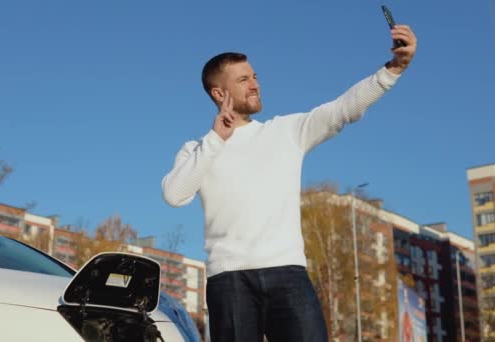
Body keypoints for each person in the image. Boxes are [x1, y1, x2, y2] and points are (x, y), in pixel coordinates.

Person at [162, 24, 417, 342]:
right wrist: (216, 139)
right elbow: (175, 195)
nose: (255, 85)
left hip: (288, 274)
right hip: (229, 282)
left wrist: (394, 69)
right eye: (243, 80)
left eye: (254, 76)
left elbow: (343, 109)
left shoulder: (285, 132)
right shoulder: (198, 149)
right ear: (219, 93)